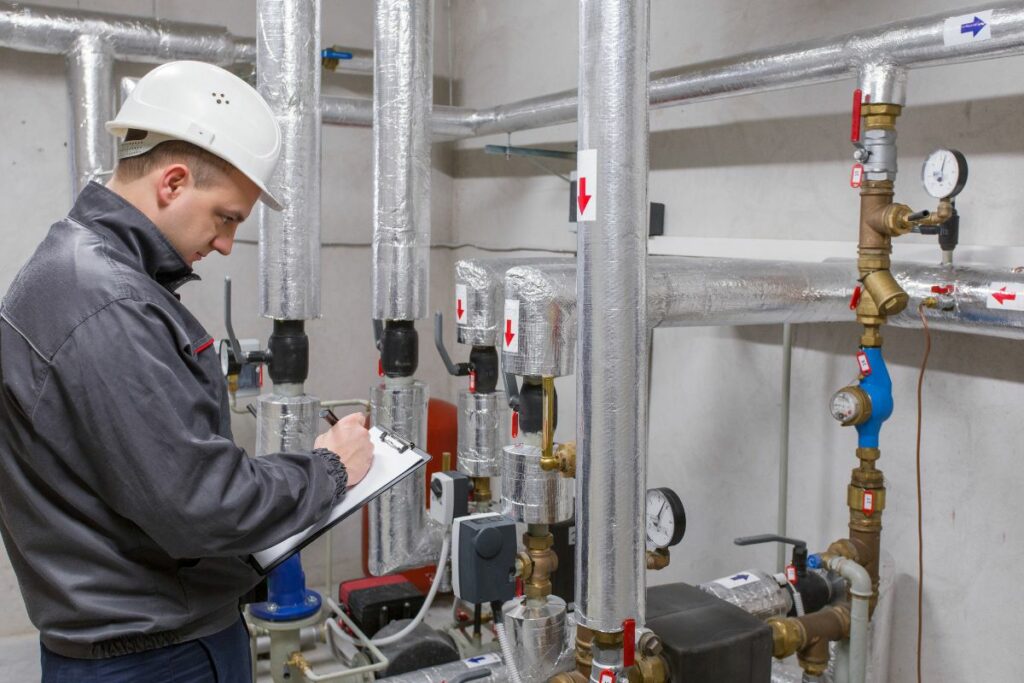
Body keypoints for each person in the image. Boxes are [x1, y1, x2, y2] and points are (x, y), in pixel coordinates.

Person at [0, 61, 373, 682]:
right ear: (173, 182)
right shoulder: (108, 303)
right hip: (156, 655)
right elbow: (204, 505)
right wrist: (330, 469)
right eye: (226, 217)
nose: (226, 243)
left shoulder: (73, 270)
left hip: (124, 643)